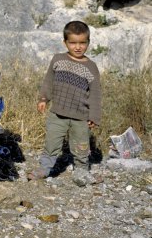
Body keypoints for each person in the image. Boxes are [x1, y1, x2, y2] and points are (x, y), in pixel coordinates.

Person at [30, 20, 102, 186]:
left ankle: (81, 170)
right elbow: (49, 81)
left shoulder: (91, 67)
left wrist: (94, 116)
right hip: (57, 114)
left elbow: (96, 94)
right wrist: (43, 99)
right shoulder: (58, 60)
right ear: (65, 42)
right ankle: (45, 168)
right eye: (73, 43)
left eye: (82, 43)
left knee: (81, 144)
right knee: (52, 141)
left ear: (88, 43)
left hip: (80, 116)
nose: (78, 47)